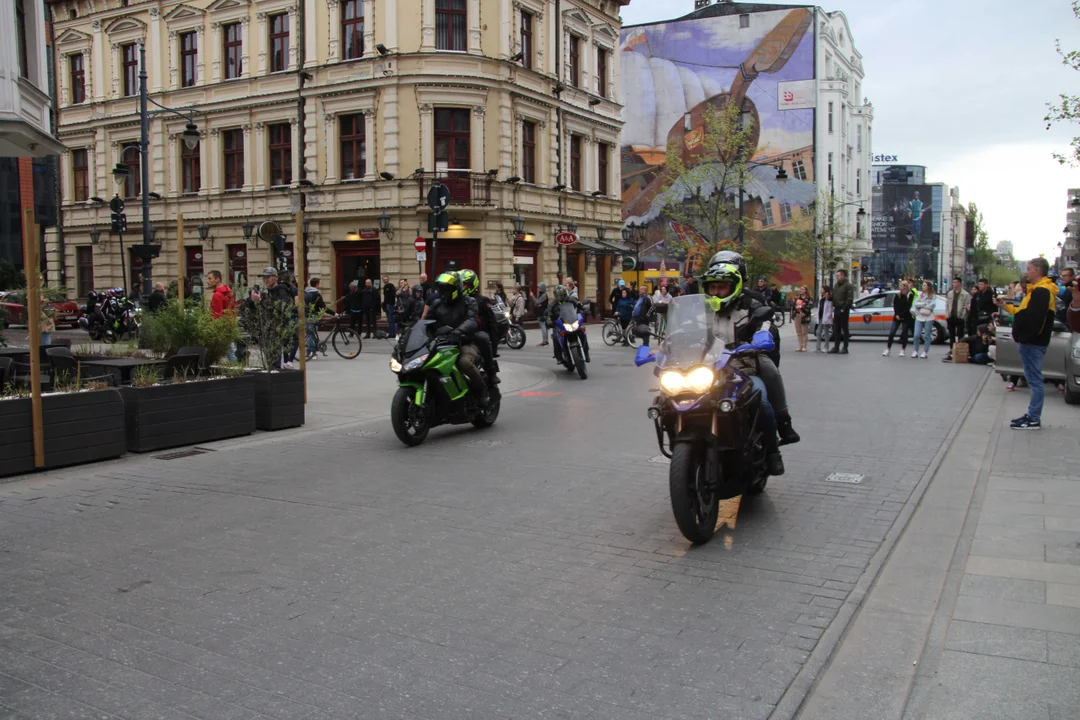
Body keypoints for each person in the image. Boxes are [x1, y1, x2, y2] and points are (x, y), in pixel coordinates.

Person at [699, 256, 791, 475]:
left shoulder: (751, 303)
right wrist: (664, 345)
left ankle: (772, 450)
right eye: (713, 287)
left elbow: (764, 324)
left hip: (743, 366)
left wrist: (761, 337)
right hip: (707, 369)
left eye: (722, 287)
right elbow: (684, 328)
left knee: (762, 398)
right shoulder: (702, 307)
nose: (717, 292)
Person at [995, 257, 1058, 430]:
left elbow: (1035, 319)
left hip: (1033, 342)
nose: (1026, 272)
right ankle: (1032, 415)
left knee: (1035, 380)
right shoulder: (1036, 291)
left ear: (1037, 271)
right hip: (1032, 341)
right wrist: (1006, 306)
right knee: (1033, 379)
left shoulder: (1042, 291)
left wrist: (1025, 337)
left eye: (1029, 268)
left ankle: (1033, 418)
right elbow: (1023, 313)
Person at [429, 272, 490, 406]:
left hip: (465, 342)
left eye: (447, 289)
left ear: (456, 289)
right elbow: (426, 321)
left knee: (464, 363)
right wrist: (409, 331)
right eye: (441, 288)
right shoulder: (437, 304)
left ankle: (482, 390)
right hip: (442, 343)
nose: (443, 292)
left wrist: (458, 331)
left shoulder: (469, 301)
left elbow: (472, 320)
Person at [249, 267, 296, 369]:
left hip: (276, 329)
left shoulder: (282, 290)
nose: (266, 280)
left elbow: (280, 308)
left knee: (274, 359)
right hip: (266, 329)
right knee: (269, 359)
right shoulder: (266, 292)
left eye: (268, 277)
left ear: (275, 277)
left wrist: (260, 300)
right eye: (264, 277)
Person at [458, 270, 500, 378]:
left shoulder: (482, 300)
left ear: (473, 284)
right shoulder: (455, 301)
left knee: (483, 338)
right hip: (458, 337)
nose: (464, 287)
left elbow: (492, 323)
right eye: (462, 284)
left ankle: (490, 373)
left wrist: (494, 346)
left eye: (466, 284)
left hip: (475, 337)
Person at [548, 283, 591, 363]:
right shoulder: (553, 304)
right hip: (560, 324)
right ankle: (559, 357)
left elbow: (578, 304)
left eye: (562, 295)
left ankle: (586, 352)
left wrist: (583, 309)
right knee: (555, 336)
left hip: (571, 320)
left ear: (565, 294)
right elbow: (548, 312)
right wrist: (549, 320)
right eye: (558, 296)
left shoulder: (571, 299)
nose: (560, 297)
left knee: (582, 331)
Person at [884, 281, 915, 357]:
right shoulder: (897, 295)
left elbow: (908, 306)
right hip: (897, 316)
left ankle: (903, 349)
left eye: (901, 285)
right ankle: (888, 349)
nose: (899, 287)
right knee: (892, 332)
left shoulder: (909, 295)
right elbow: (895, 305)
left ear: (905, 286)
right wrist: (897, 314)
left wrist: (901, 315)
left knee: (905, 333)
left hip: (906, 316)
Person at [943, 277, 971, 361]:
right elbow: (947, 304)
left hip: (959, 317)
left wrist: (963, 315)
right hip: (951, 316)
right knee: (951, 335)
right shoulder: (950, 293)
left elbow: (967, 306)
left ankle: (959, 350)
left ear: (959, 283)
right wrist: (947, 314)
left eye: (955, 282)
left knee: (960, 334)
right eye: (953, 282)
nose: (954, 284)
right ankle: (952, 350)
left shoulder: (965, 294)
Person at [829, 269, 855, 354]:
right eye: (836, 276)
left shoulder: (848, 286)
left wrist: (844, 308)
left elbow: (849, 298)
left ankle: (845, 347)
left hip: (843, 309)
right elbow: (834, 296)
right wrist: (829, 297)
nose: (837, 277)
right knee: (836, 329)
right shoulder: (836, 285)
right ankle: (836, 347)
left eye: (838, 275)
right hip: (836, 308)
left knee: (844, 328)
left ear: (843, 276)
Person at [304, 277, 330, 357]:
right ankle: (312, 352)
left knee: (310, 333)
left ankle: (309, 352)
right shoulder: (316, 294)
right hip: (314, 316)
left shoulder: (306, 293)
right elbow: (323, 306)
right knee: (312, 334)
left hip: (306, 315)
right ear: (317, 284)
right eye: (319, 283)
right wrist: (334, 313)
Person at [912, 281, 937, 359]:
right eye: (923, 285)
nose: (923, 286)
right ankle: (915, 350)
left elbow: (931, 306)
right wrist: (924, 304)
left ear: (928, 287)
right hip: (919, 316)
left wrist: (922, 304)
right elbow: (915, 304)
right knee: (916, 334)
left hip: (928, 317)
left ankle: (925, 351)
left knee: (927, 335)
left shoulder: (933, 296)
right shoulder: (920, 295)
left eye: (924, 285)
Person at [792, 286, 812, 352]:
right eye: (800, 289)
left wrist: (801, 306)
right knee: (798, 332)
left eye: (803, 289)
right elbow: (793, 305)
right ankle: (800, 346)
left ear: (806, 290)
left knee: (804, 332)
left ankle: (804, 346)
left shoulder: (809, 298)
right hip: (797, 315)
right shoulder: (797, 297)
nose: (801, 290)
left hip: (804, 316)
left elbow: (809, 306)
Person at [816, 286, 834, 353]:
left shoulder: (829, 299)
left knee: (826, 333)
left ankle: (826, 347)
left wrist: (827, 317)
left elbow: (830, 309)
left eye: (822, 289)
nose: (821, 290)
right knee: (818, 332)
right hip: (821, 317)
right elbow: (819, 308)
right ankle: (818, 347)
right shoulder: (821, 298)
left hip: (826, 318)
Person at [535, 282, 550, 347]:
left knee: (543, 327)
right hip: (541, 312)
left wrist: (532, 296)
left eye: (539, 287)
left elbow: (537, 303)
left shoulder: (543, 295)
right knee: (544, 327)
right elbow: (538, 304)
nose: (538, 289)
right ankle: (545, 340)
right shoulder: (541, 294)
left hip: (542, 313)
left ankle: (545, 341)